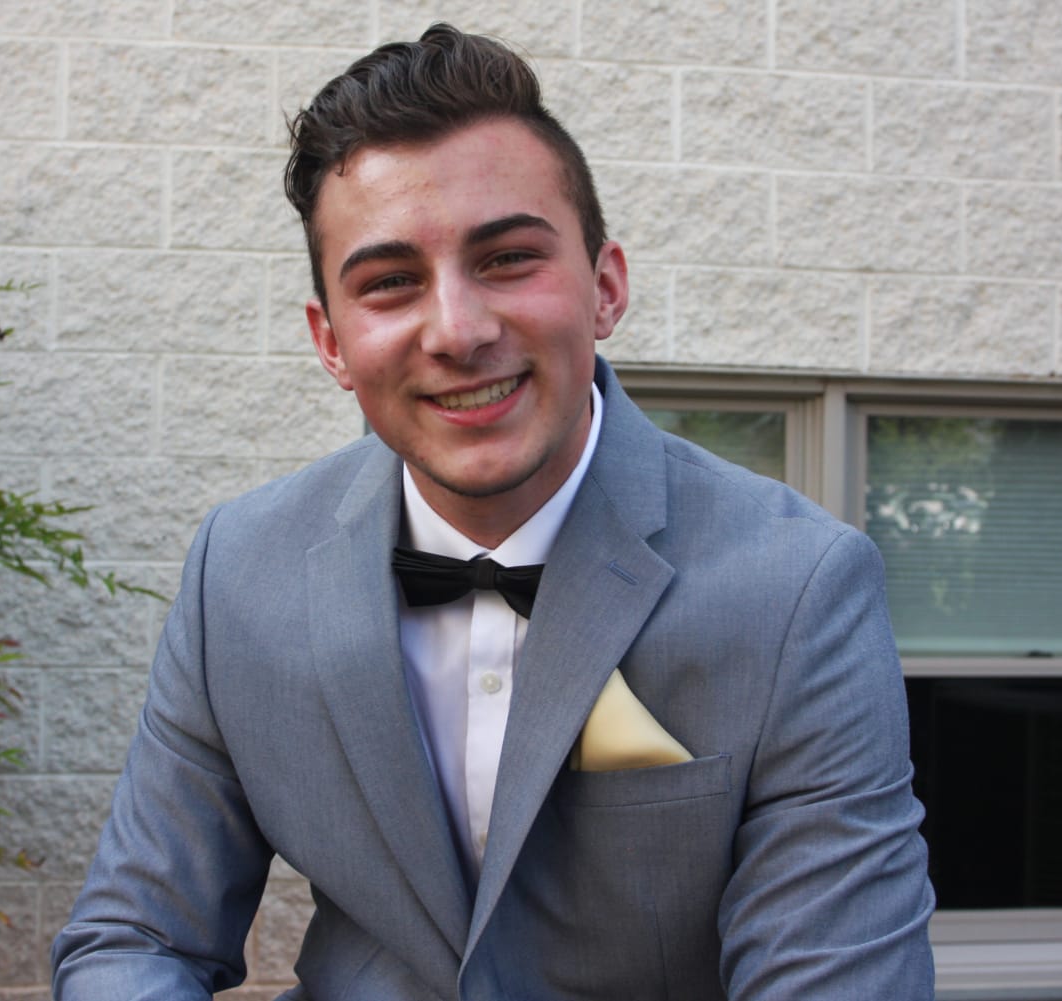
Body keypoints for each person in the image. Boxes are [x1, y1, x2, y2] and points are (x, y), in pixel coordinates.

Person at [52, 23, 934, 1001]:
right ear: (331, 342)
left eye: (509, 258)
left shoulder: (800, 589)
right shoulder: (238, 569)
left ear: (606, 287)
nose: (459, 330)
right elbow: (136, 937)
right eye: (390, 282)